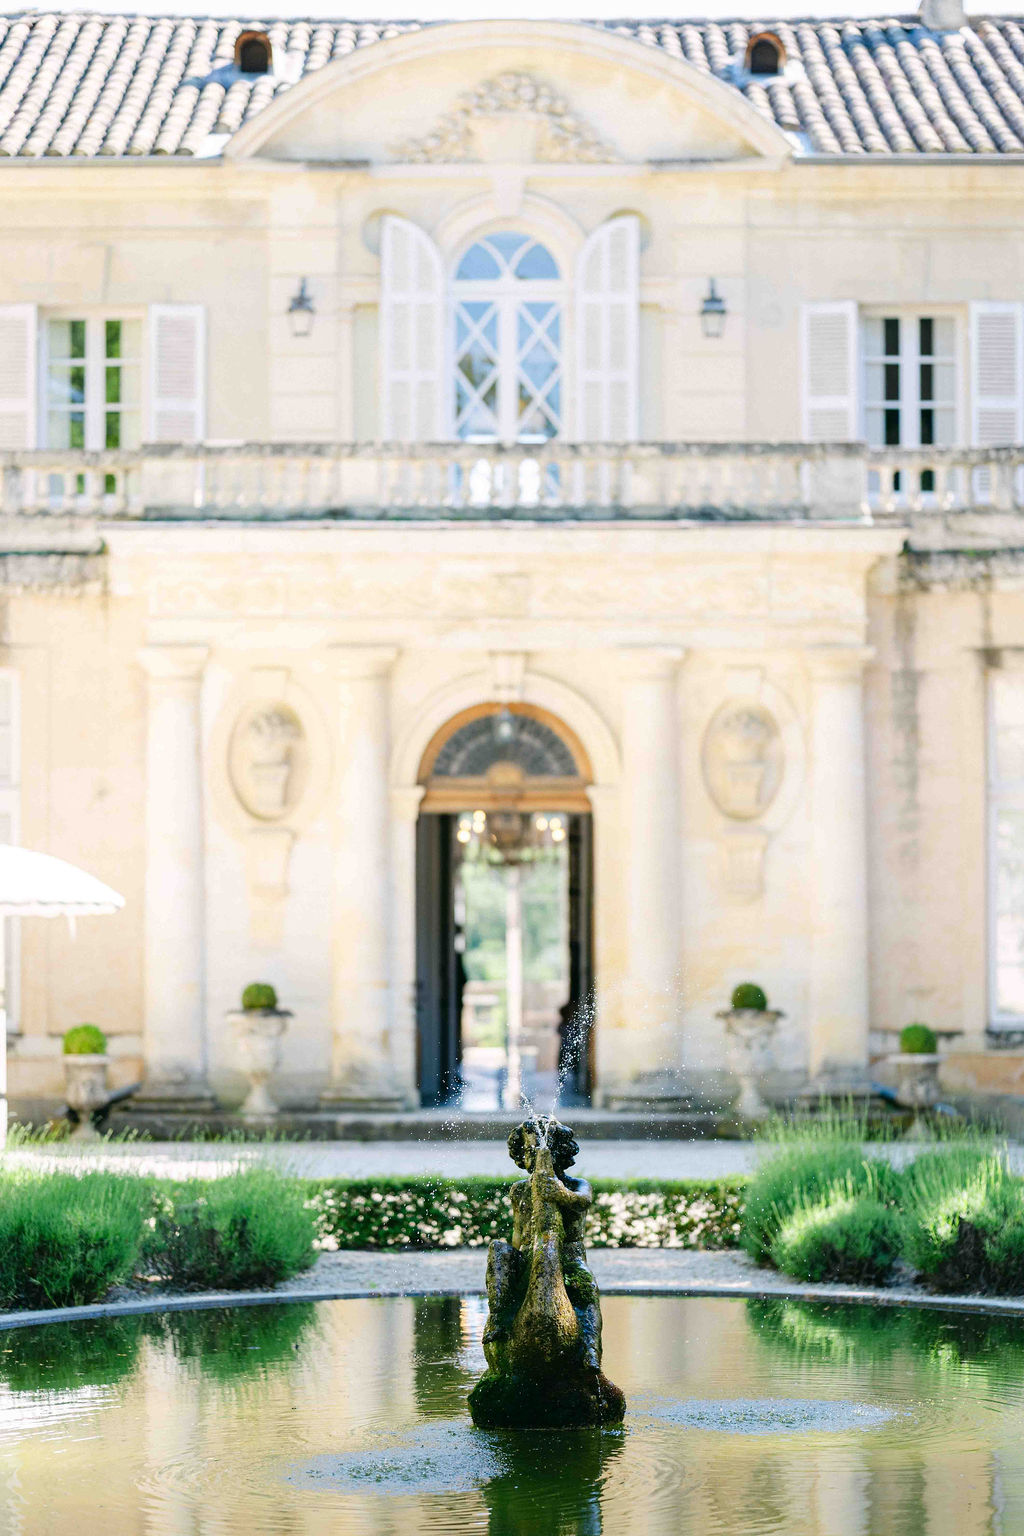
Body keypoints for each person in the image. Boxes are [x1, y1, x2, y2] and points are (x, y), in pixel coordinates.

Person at [482, 1115, 603, 1375]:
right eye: (529, 1151)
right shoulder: (519, 1190)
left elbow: (582, 1201)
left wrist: (560, 1193)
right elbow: (517, 1230)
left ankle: (591, 1348)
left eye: (541, 1149)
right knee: (498, 1251)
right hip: (527, 1252)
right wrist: (516, 1258)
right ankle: (499, 1316)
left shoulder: (577, 1184)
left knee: (587, 1290)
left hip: (568, 1255)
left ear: (559, 1152)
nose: (535, 1156)